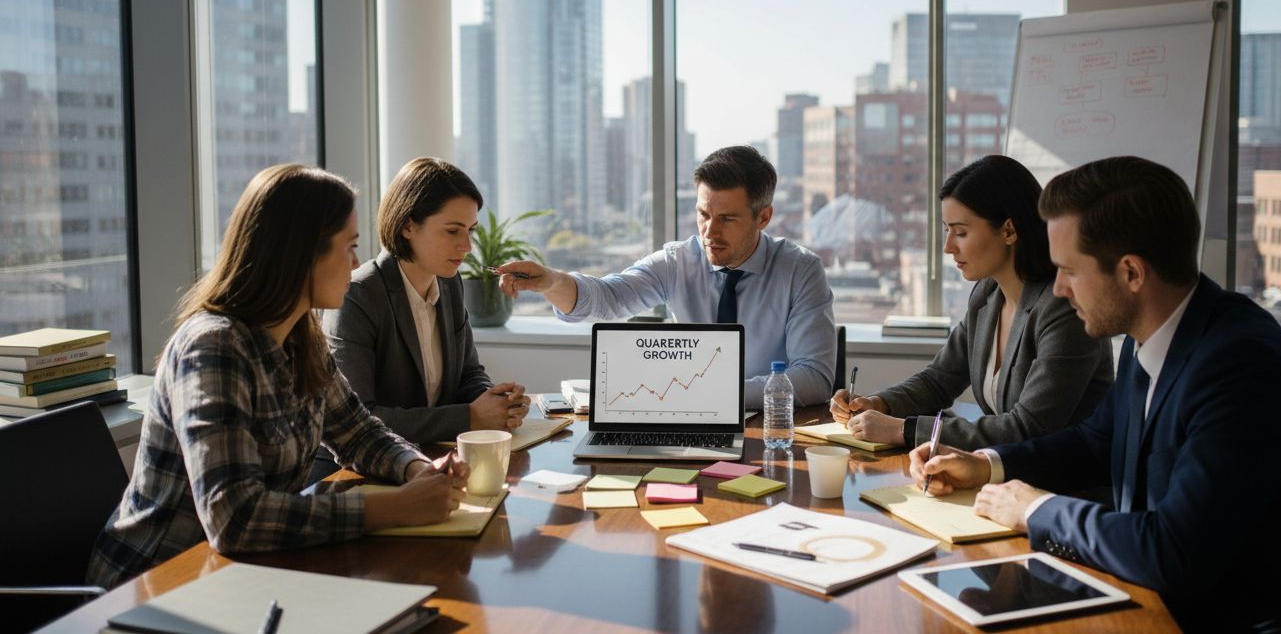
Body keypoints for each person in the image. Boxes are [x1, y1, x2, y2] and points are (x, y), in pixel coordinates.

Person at [910, 156, 1281, 630]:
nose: (1058, 288)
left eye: (1069, 270)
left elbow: (1172, 549)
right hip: (1154, 598)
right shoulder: (1150, 337)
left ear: (1132, 273)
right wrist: (986, 464)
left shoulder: (1242, 369)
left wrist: (1033, 508)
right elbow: (1095, 441)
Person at [88, 165, 470, 589]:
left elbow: (357, 431)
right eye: (349, 246)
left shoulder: (300, 337)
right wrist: (394, 509)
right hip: (155, 583)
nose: (357, 262)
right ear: (302, 254)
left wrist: (417, 470)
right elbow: (233, 516)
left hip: (239, 575)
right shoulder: (214, 347)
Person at [498, 145, 836, 409]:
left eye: (728, 219)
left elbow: (814, 377)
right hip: (689, 416)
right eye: (703, 214)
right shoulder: (678, 261)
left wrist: (717, 394)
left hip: (769, 428)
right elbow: (610, 300)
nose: (709, 232)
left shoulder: (800, 270)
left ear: (763, 217)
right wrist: (552, 282)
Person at [830, 155, 1112, 449]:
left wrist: (904, 430)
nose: (948, 247)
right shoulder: (987, 295)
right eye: (947, 230)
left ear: (1009, 231)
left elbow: (1029, 427)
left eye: (961, 232)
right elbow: (939, 379)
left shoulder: (1064, 307)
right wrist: (879, 403)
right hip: (1000, 475)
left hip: (1062, 485)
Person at [323, 157, 527, 452]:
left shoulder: (450, 283)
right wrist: (470, 416)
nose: (467, 247)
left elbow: (468, 375)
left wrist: (495, 401)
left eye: (470, 231)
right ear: (408, 226)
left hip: (431, 457)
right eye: (453, 230)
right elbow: (361, 419)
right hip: (357, 472)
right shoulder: (356, 295)